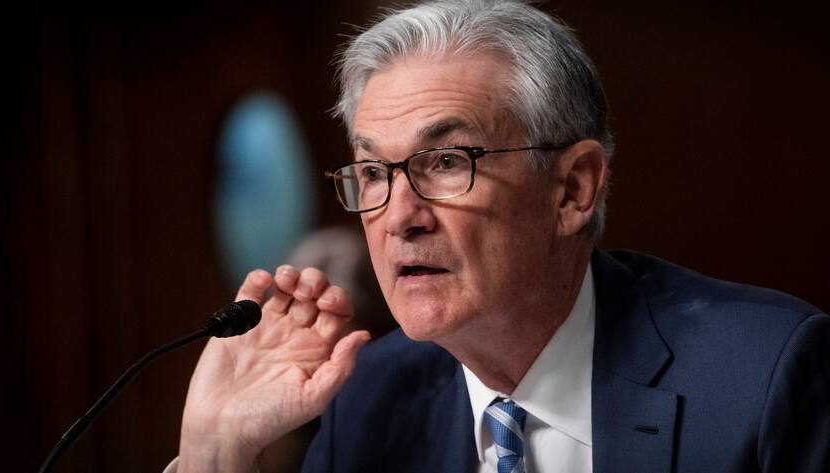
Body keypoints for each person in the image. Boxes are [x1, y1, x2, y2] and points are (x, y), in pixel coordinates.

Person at [170, 1, 830, 472]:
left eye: (448, 161)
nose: (400, 214)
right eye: (373, 171)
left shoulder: (766, 378)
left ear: (573, 188)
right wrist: (214, 452)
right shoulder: (368, 398)